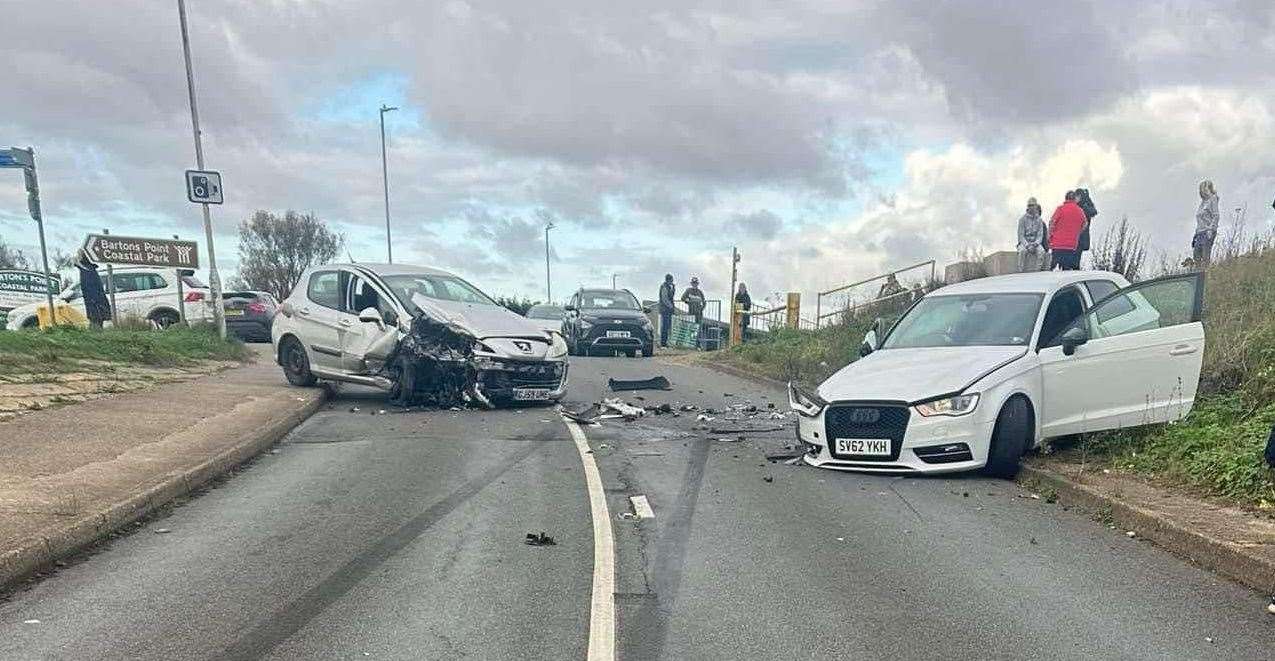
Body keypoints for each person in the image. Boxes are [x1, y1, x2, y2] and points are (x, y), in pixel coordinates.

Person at [1048, 191, 1087, 270]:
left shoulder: (1060, 209)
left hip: (1057, 243)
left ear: (1066, 198)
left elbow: (1052, 222)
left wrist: (1050, 236)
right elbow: (1085, 223)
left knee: (1051, 267)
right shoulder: (1080, 211)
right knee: (1066, 268)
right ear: (1075, 199)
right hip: (1071, 245)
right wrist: (1077, 232)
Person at [74, 248, 111, 329]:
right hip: (96, 304)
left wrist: (93, 303)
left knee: (95, 327)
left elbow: (91, 289)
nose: (76, 257)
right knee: (96, 326)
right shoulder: (89, 269)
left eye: (78, 255)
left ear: (83, 257)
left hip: (94, 305)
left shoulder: (87, 270)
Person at [1193, 180, 1219, 268]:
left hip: (1207, 231)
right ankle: (1197, 274)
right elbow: (1199, 220)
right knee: (1196, 255)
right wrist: (1195, 235)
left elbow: (1216, 215)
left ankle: (1205, 274)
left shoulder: (1213, 199)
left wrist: (1211, 229)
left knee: (1205, 256)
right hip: (1199, 232)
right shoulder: (1202, 203)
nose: (1202, 191)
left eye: (1204, 189)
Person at [1016, 197, 1047, 272]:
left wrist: (1035, 244)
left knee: (1041, 252)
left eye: (1033, 205)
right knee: (1022, 252)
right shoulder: (1022, 219)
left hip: (1035, 242)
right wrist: (1027, 245)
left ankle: (1037, 271)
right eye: (1029, 205)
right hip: (1025, 242)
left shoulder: (1039, 220)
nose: (1031, 207)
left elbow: (1040, 235)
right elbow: (1021, 235)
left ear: (1036, 206)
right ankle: (1021, 271)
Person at [1074, 188, 1098, 263]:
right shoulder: (1073, 205)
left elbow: (1093, 212)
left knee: (1077, 256)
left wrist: (1085, 205)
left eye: (1077, 196)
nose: (1076, 198)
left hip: (1082, 235)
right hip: (1074, 234)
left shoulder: (1086, 205)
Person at [658, 273, 676, 347]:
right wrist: (670, 306)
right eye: (671, 280)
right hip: (665, 310)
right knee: (665, 326)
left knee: (668, 326)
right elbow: (664, 298)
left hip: (669, 310)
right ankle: (663, 343)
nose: (672, 281)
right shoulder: (664, 287)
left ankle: (666, 342)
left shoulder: (671, 287)